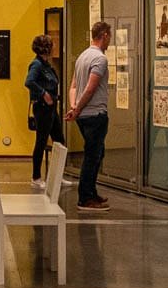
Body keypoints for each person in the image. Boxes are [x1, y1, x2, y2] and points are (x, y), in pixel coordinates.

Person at [64, 21, 112, 211]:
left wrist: (74, 106)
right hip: (94, 114)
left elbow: (73, 87)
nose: (109, 41)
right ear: (105, 35)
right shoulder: (100, 59)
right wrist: (77, 110)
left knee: (98, 153)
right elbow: (90, 89)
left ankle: (91, 192)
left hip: (83, 114)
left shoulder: (82, 56)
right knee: (92, 156)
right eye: (109, 37)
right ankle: (85, 198)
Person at [25, 35, 65, 190]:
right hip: (42, 108)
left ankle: (57, 175)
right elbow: (29, 81)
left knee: (59, 140)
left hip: (51, 108)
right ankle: (36, 177)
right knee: (41, 141)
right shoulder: (36, 65)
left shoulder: (47, 64)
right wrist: (43, 93)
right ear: (46, 48)